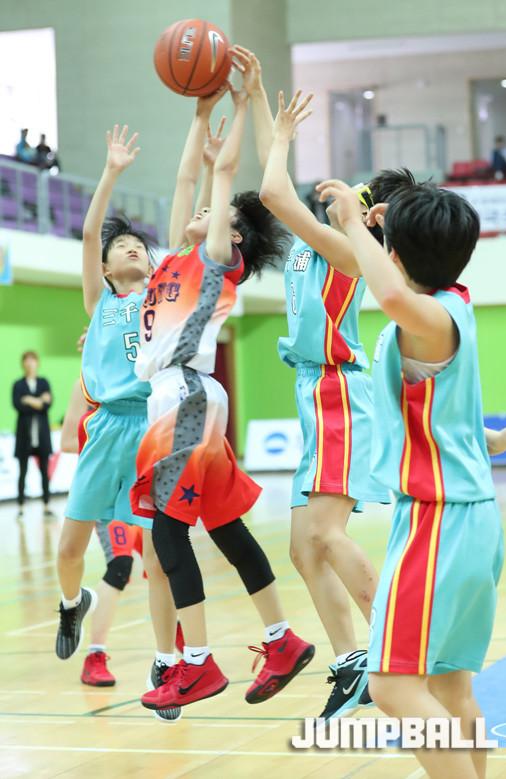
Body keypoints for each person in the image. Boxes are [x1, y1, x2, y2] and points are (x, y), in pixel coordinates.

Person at [132, 74, 314, 715]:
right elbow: (188, 179)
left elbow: (220, 175)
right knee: (225, 526)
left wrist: (239, 108)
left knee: (167, 536)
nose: (201, 212)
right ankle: (281, 639)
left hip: (182, 397)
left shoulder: (215, 259)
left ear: (233, 237)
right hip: (184, 399)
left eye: (216, 214)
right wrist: (199, 116)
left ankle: (198, 664)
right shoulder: (169, 260)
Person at [316, 175, 504, 778]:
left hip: (436, 521)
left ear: (396, 252)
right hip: (469, 518)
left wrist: (353, 222)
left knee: (393, 685)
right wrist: (384, 228)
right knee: (450, 687)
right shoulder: (455, 303)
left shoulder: (423, 316)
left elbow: (393, 297)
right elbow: (396, 283)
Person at [240, 58, 394, 718]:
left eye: (358, 192)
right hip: (314, 394)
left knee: (327, 534)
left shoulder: (346, 250)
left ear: (369, 215)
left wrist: (282, 138)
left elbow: (275, 194)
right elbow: (273, 181)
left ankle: (396, 645)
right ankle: (353, 662)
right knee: (304, 548)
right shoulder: (317, 243)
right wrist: (256, 100)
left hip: (338, 395)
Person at [54, 124, 180, 722]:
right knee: (69, 549)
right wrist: (111, 172)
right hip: (106, 431)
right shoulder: (99, 302)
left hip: (150, 429)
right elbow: (88, 232)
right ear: (104, 268)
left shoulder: (161, 301)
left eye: (139, 246)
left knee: (156, 556)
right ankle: (71, 605)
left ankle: (165, 662)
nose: (132, 248)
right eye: (121, 246)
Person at [60, 376, 185, 691]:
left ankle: (176, 642)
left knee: (162, 565)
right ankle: (95, 655)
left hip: (141, 478)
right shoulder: (87, 384)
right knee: (120, 566)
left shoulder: (145, 377)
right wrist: (105, 439)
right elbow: (67, 442)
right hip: (109, 487)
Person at [12, 351, 53, 515]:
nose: (30, 363)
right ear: (23, 364)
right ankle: (21, 506)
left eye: (33, 360)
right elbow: (18, 405)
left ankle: (46, 505)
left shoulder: (43, 382)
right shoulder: (18, 384)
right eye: (27, 360)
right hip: (25, 435)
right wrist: (39, 400)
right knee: (22, 471)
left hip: (42, 435)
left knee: (44, 471)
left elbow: (47, 404)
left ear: (37, 362)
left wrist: (28, 399)